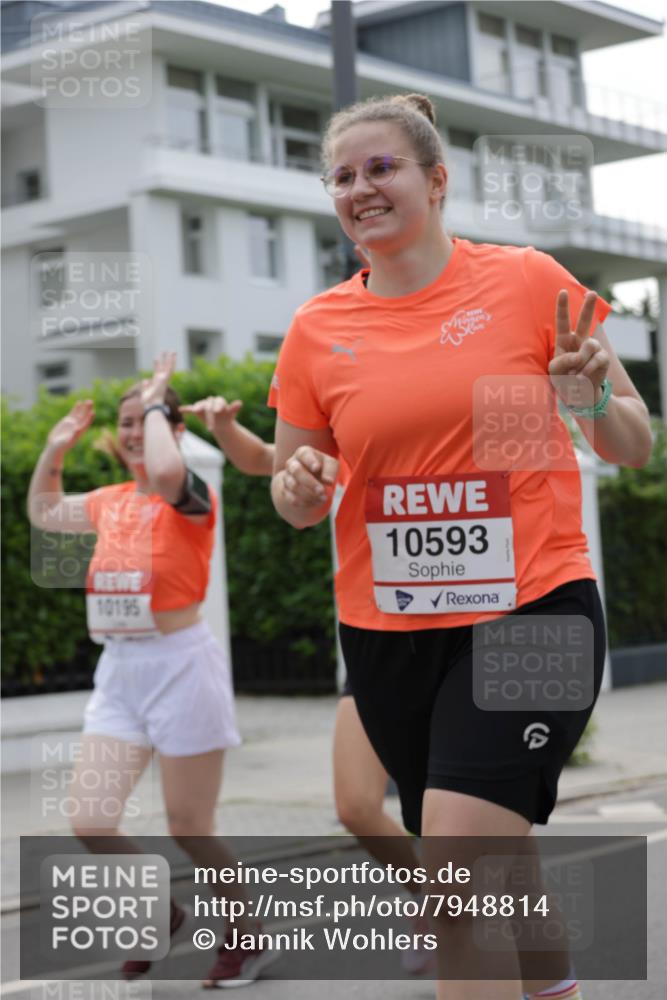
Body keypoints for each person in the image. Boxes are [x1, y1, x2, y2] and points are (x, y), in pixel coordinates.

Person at [268, 93, 653, 1000]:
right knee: (495, 857)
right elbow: (293, 493)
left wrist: (591, 395)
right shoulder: (317, 330)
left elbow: (630, 442)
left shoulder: (524, 283)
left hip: (533, 610)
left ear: (435, 182)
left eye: (381, 167)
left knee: (451, 868)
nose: (360, 187)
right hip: (391, 634)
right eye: (342, 175)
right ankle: (557, 990)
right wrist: (295, 488)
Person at [27, 354, 278, 989]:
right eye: (127, 421)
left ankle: (247, 931)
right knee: (90, 819)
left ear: (169, 425)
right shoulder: (109, 500)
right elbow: (44, 512)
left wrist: (163, 400)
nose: (135, 431)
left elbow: (167, 471)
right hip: (121, 672)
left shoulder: (190, 496)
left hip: (180, 668)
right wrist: (54, 450)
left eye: (148, 420)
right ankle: (161, 916)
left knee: (189, 825)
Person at [186, 394, 434, 976]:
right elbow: (266, 461)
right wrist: (224, 428)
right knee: (354, 805)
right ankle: (436, 901)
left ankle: (508, 939)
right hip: (379, 645)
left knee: (469, 819)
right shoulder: (351, 443)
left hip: (468, 642)